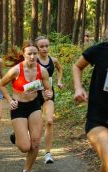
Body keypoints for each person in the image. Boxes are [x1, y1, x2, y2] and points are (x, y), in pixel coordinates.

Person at [0, 41, 53, 172]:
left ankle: (26, 171)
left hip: (34, 105)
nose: (32, 56)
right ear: (24, 55)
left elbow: (48, 90)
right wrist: (10, 99)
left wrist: (48, 94)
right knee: (25, 147)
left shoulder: (42, 71)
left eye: (35, 53)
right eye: (29, 53)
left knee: (35, 143)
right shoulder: (16, 70)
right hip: (19, 107)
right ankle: (17, 136)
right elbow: (1, 85)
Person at [73, 25, 108, 172]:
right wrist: (78, 88)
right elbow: (77, 66)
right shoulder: (102, 50)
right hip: (98, 121)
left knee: (107, 169)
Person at [35, 36, 63, 164]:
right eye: (42, 46)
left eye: (46, 46)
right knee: (35, 124)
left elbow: (60, 69)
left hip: (49, 93)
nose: (45, 49)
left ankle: (47, 153)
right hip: (34, 95)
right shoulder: (33, 60)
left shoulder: (53, 60)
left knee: (50, 121)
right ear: (37, 48)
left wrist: (59, 81)